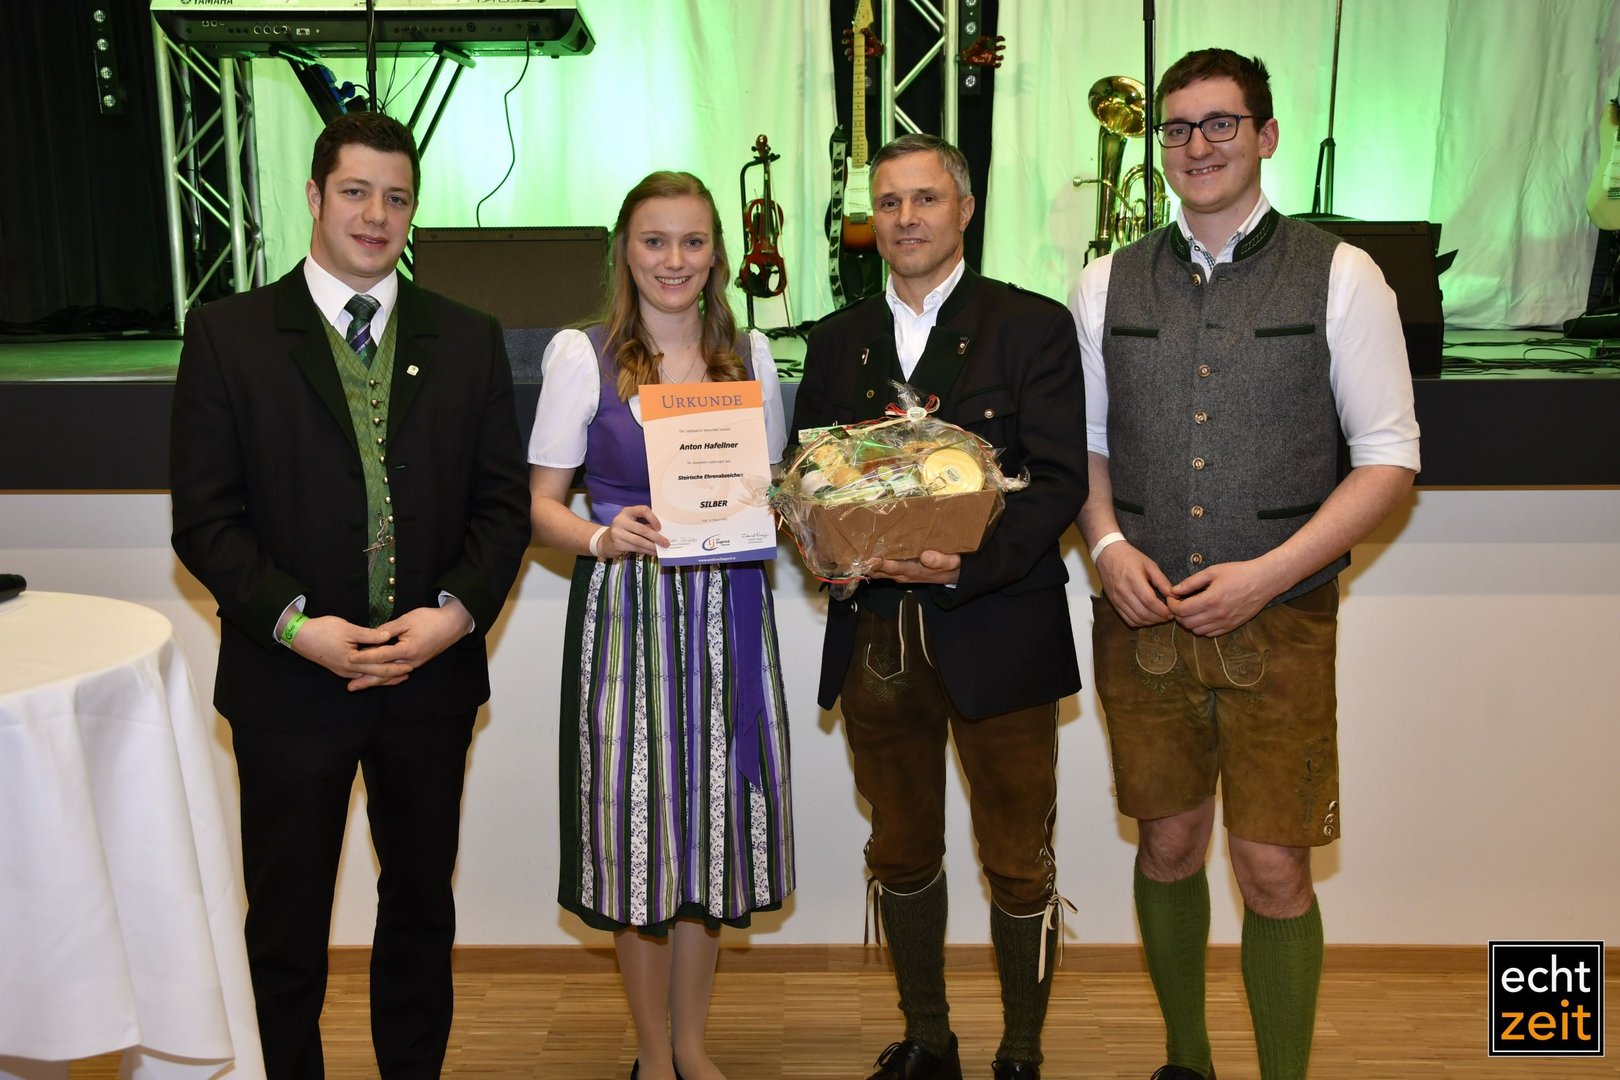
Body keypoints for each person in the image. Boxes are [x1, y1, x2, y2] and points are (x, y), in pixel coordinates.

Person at [1070, 49, 1421, 1080]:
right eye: (1178, 128)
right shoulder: (1103, 282)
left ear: (1265, 136)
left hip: (1285, 622)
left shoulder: (1343, 275)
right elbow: (1083, 447)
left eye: (1220, 123)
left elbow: (1388, 460)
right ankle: (1187, 1059)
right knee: (1168, 847)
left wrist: (1266, 574)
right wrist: (1107, 545)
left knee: (1273, 869)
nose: (1198, 145)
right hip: (1141, 617)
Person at [170, 110, 532, 1078]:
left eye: (397, 197)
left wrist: (451, 618)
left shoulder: (468, 338)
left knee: (419, 912)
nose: (377, 215)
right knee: (286, 927)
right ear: (315, 196)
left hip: (429, 683)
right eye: (356, 192)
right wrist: (299, 627)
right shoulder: (229, 335)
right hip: (290, 685)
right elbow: (205, 523)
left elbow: (503, 510)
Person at [792, 134, 1089, 1080]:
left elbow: (1058, 482)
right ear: (871, 220)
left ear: (964, 209)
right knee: (901, 847)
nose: (906, 218)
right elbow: (809, 482)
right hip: (877, 637)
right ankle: (928, 1038)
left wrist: (963, 564)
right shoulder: (835, 340)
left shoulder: (1031, 326)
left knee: (1018, 853)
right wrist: (828, 545)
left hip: (999, 626)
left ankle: (1023, 1051)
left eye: (925, 199)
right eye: (889, 203)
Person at [527, 171, 795, 1080]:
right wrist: (602, 536)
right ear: (624, 250)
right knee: (637, 838)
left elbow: (771, 490)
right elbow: (540, 505)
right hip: (627, 614)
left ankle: (691, 1044)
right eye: (654, 240)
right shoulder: (582, 355)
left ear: (717, 252)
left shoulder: (751, 354)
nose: (673, 260)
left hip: (729, 611)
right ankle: (650, 1052)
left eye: (692, 241)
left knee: (709, 835)